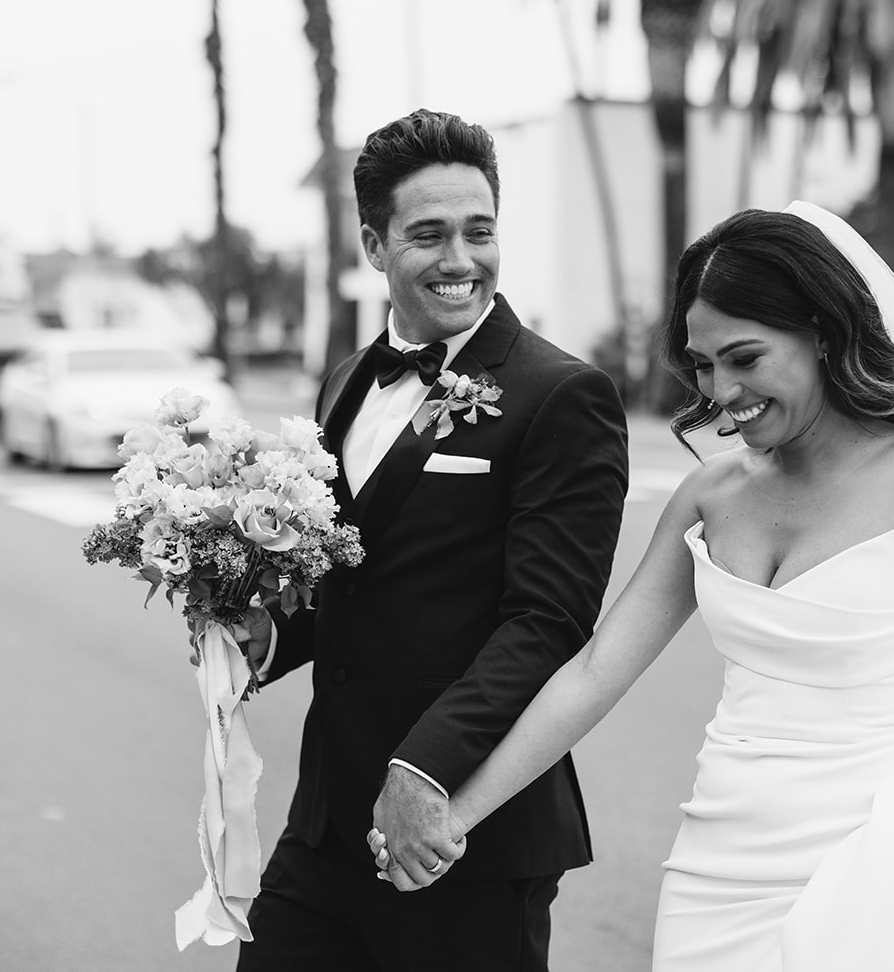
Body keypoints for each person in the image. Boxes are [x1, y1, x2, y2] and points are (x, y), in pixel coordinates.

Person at [371, 203, 894, 971]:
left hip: (874, 852)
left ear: (821, 331)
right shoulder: (711, 495)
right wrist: (457, 810)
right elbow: (597, 670)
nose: (723, 393)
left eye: (746, 357)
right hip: (716, 862)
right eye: (704, 366)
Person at [233, 109, 630, 971]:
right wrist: (265, 638)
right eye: (429, 234)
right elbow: (349, 570)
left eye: (479, 231)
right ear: (375, 246)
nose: (461, 260)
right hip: (326, 825)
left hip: (465, 835)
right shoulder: (345, 379)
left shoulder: (563, 396)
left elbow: (548, 621)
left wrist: (426, 769)